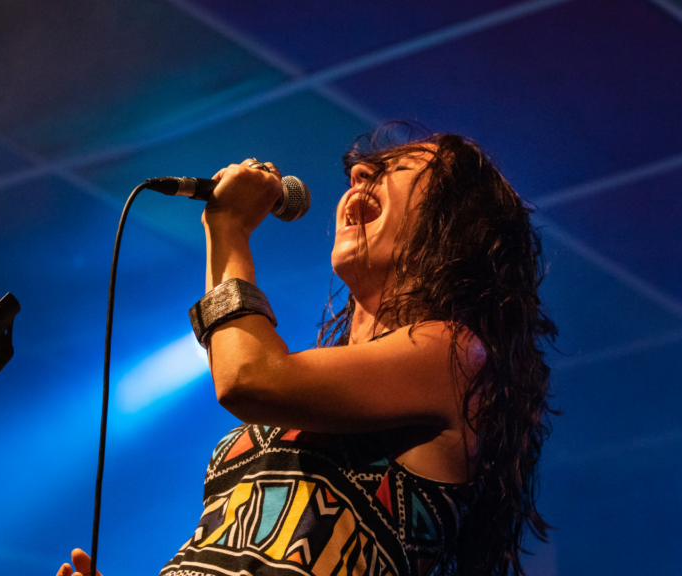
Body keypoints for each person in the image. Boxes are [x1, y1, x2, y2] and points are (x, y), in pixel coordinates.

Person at [58, 127, 557, 576]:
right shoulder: (322, 381)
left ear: (455, 224)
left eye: (397, 167)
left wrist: (228, 228)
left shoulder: (455, 356)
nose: (359, 172)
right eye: (364, 168)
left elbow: (247, 377)